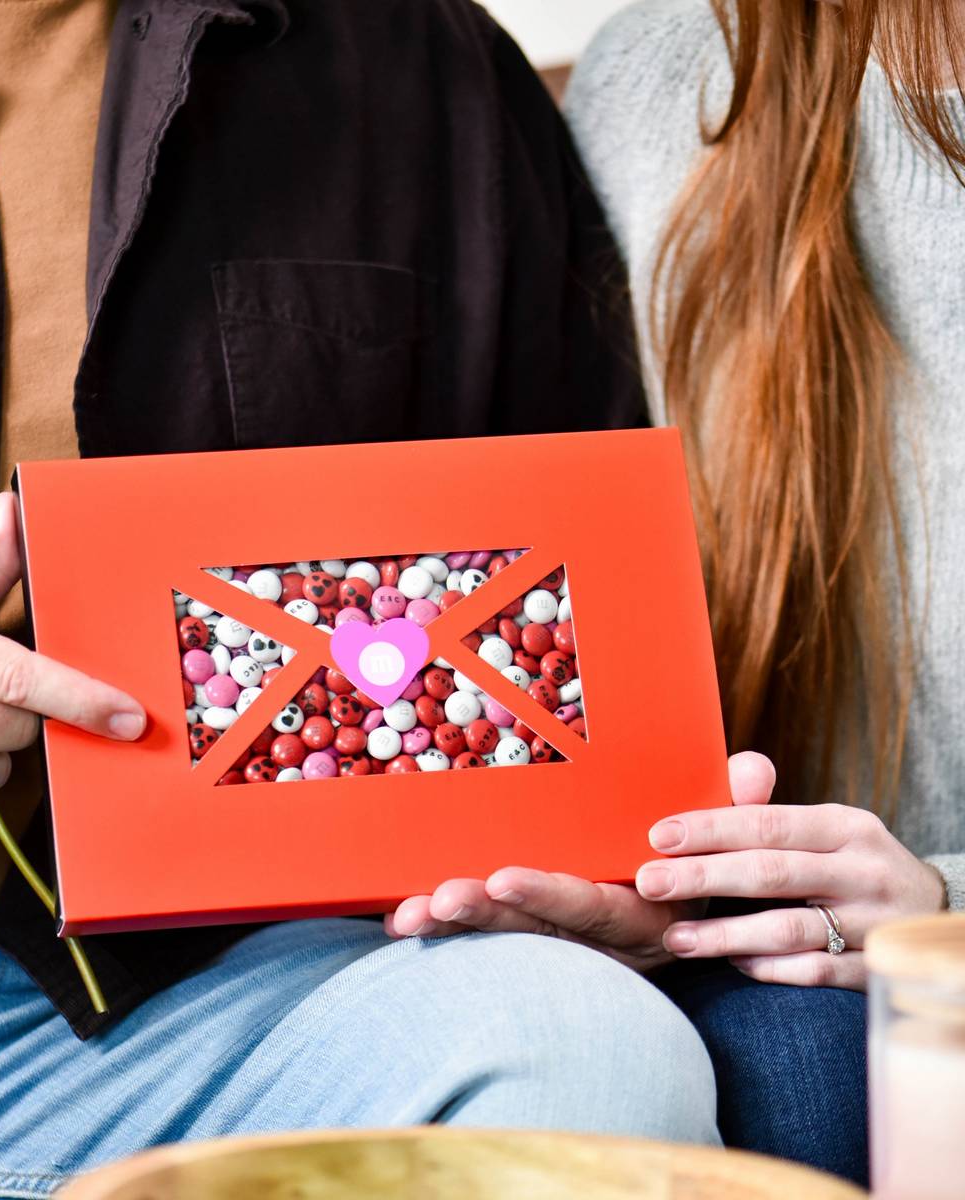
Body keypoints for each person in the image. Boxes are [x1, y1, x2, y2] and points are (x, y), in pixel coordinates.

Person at [0, 3, 716, 1198]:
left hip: (212, 1018)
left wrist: (607, 871)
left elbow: (580, 593)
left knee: (587, 1043)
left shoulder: (420, 65)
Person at [390, 0, 965, 1188]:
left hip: (913, 940)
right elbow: (582, 610)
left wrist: (943, 907)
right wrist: (621, 871)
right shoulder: (668, 83)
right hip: (797, 959)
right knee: (790, 1063)